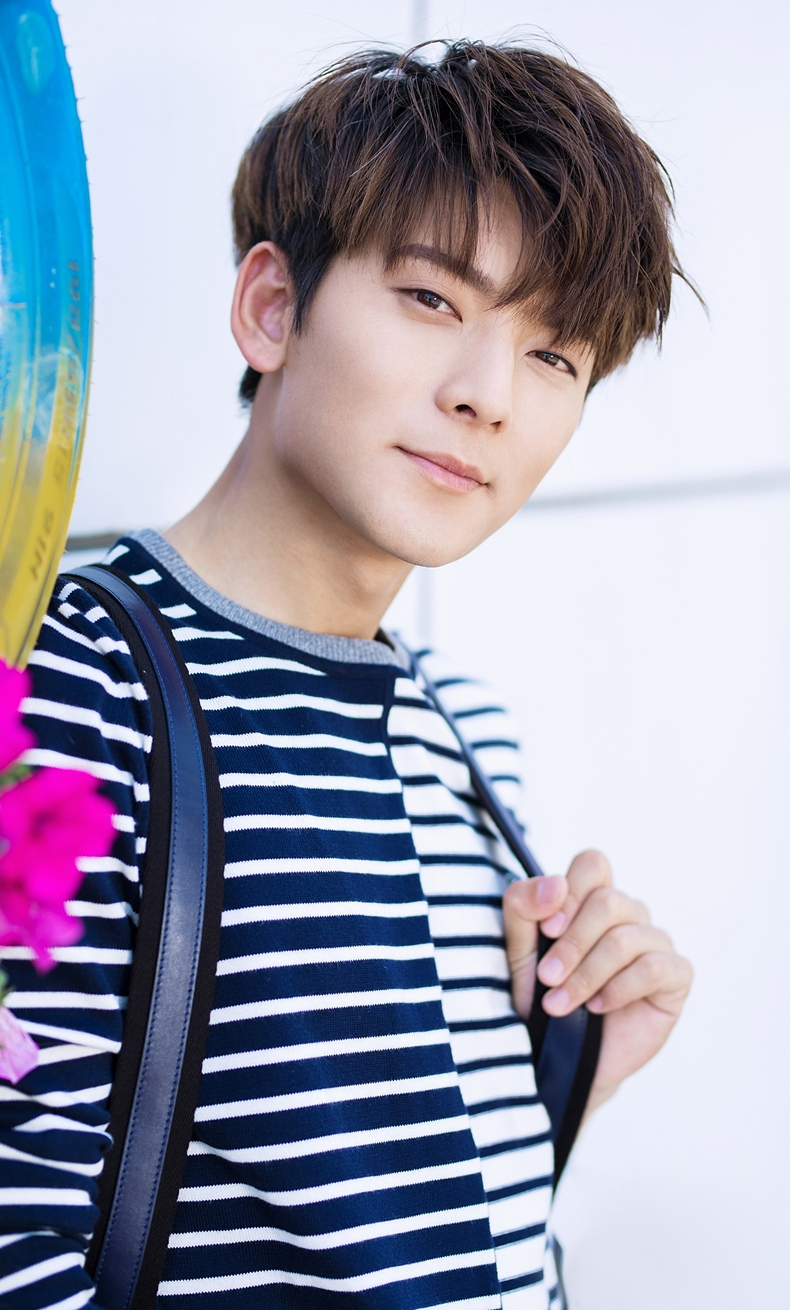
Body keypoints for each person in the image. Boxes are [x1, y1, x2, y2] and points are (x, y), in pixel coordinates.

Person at [0, 41, 694, 1310]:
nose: (488, 395)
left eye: (556, 354)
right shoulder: (75, 691)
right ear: (274, 307)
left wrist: (560, 1079)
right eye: (432, 298)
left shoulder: (462, 733)